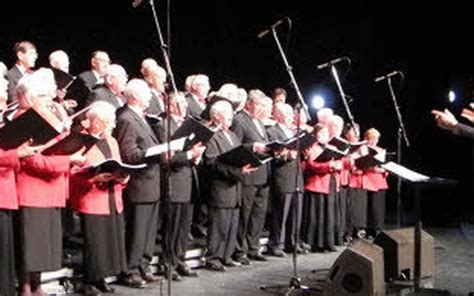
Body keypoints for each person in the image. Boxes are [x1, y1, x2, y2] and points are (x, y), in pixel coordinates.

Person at [15, 69, 85, 296]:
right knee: (30, 244)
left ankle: (37, 286)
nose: (49, 101)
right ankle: (26, 288)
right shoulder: (23, 119)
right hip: (33, 187)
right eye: (44, 97)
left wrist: (72, 155)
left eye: (49, 97)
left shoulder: (51, 117)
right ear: (32, 96)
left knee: (43, 244)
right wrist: (66, 160)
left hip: (50, 187)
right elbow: (30, 159)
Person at [69, 101, 128, 294]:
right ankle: (89, 280)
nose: (112, 126)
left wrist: (123, 176)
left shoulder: (111, 141)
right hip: (93, 198)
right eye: (109, 122)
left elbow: (118, 164)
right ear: (96, 123)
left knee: (110, 239)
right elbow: (72, 173)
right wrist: (94, 178)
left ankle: (102, 277)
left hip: (112, 196)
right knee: (96, 242)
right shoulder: (81, 141)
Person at [114, 79, 162, 288]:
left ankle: (143, 266)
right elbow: (129, 154)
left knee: (148, 231)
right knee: (137, 231)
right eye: (147, 94)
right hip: (139, 183)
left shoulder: (140, 117)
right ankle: (130, 270)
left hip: (151, 183)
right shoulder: (126, 119)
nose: (151, 97)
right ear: (135, 96)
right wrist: (153, 152)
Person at [155, 92, 204, 280]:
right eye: (179, 103)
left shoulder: (186, 125)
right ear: (170, 105)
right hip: (172, 181)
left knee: (184, 226)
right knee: (172, 226)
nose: (183, 106)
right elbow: (166, 157)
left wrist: (196, 156)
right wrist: (191, 155)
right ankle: (168, 263)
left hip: (187, 180)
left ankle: (180, 260)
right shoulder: (163, 126)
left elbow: (190, 154)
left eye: (184, 103)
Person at [204, 100, 256, 271]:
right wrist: (238, 172)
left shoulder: (232, 135)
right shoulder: (211, 135)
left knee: (232, 223)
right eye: (228, 114)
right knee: (219, 224)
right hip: (221, 187)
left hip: (235, 187)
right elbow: (212, 162)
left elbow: (238, 154)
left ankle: (226, 256)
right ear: (218, 116)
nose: (231, 118)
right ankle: (214, 258)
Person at [0, 74, 36, 296]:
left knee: (5, 253)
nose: (6, 88)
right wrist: (17, 154)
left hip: (6, 189)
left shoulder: (4, 119)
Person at [231, 89, 272, 264]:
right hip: (249, 174)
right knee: (245, 214)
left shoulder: (259, 122)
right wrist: (251, 147)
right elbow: (235, 146)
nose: (261, 108)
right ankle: (240, 250)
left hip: (263, 174)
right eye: (258, 105)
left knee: (258, 214)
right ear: (249, 103)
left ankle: (253, 247)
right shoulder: (240, 120)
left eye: (263, 105)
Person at [266, 103, 305, 256]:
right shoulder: (272, 131)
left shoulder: (294, 132)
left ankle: (293, 242)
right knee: (280, 213)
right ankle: (276, 244)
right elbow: (272, 157)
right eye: (289, 114)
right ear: (280, 115)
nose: (292, 117)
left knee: (296, 213)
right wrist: (287, 156)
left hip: (296, 176)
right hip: (282, 175)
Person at [302, 123, 340, 252]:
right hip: (316, 183)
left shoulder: (331, 147)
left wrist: (339, 164)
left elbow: (339, 161)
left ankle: (328, 242)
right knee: (317, 215)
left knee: (328, 214)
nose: (324, 136)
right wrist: (330, 165)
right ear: (315, 135)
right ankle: (316, 243)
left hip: (330, 182)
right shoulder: (311, 147)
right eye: (321, 133)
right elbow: (311, 165)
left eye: (326, 133)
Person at [362, 128, 388, 238]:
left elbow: (386, 166)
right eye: (372, 138)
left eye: (376, 138)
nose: (374, 141)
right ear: (366, 139)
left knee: (378, 207)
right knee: (370, 207)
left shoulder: (381, 150)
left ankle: (378, 228)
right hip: (368, 179)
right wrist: (372, 169)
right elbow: (360, 165)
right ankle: (369, 230)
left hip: (380, 180)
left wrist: (384, 170)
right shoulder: (363, 150)